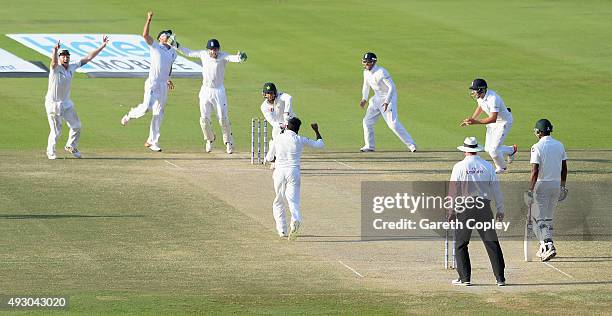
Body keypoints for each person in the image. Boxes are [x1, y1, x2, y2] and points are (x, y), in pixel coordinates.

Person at [448, 136, 506, 286]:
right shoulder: (487, 166)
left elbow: (453, 190)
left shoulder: (459, 166)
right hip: (484, 208)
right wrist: (500, 208)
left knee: (461, 244)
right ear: (476, 150)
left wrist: (451, 210)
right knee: (492, 242)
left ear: (465, 150)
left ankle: (465, 278)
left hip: (465, 207)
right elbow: (496, 189)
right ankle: (500, 278)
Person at [177, 38, 247, 154]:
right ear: (208, 50)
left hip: (218, 91)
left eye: (215, 50)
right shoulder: (203, 54)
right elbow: (188, 52)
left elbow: (233, 58)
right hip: (205, 90)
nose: (213, 52)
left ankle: (229, 142)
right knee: (204, 119)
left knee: (223, 119)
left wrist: (240, 58)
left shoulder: (223, 56)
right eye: (211, 50)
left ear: (218, 49)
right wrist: (176, 45)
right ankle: (210, 139)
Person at [120, 11, 177, 152]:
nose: (169, 36)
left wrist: (168, 79)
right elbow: (145, 35)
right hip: (152, 83)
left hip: (163, 85)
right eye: (166, 34)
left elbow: (168, 67)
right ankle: (129, 115)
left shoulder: (173, 52)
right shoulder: (155, 46)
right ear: (160, 38)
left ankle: (152, 141)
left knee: (159, 113)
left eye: (169, 35)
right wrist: (149, 19)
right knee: (146, 108)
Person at [45, 36, 109, 159]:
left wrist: (102, 46)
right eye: (63, 56)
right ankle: (50, 151)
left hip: (66, 103)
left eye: (67, 56)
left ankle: (71, 145)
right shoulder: (55, 68)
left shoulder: (72, 67)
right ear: (59, 58)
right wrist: (54, 50)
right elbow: (53, 62)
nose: (66, 57)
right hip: (53, 104)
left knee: (77, 126)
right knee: (56, 131)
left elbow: (88, 58)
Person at [265, 117, 324, 240]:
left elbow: (269, 158)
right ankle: (296, 220)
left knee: (279, 200)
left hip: (280, 171)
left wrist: (276, 157)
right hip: (294, 171)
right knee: (293, 201)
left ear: (287, 126)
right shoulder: (299, 139)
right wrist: (316, 131)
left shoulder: (278, 138)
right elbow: (320, 145)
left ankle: (282, 230)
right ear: (297, 128)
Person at [525, 119, 568, 261]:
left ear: (539, 132)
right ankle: (543, 247)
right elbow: (564, 168)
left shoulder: (536, 147)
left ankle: (548, 245)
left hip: (542, 186)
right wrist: (562, 186)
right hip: (556, 185)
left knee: (536, 218)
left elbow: (534, 170)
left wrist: (530, 190)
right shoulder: (559, 145)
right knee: (548, 218)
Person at [359, 52, 417, 152]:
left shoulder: (381, 72)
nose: (366, 64)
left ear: (373, 62)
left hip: (388, 98)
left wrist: (387, 102)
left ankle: (411, 145)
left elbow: (392, 87)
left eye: (368, 62)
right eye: (365, 62)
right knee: (367, 121)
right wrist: (364, 98)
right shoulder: (366, 72)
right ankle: (369, 146)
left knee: (393, 124)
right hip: (376, 98)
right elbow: (366, 86)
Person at [460, 78, 517, 173]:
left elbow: (493, 118)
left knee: (493, 150)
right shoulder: (481, 97)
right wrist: (472, 118)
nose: (473, 92)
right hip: (493, 123)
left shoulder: (493, 99)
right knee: (487, 149)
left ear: (481, 90)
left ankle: (502, 168)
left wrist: (475, 122)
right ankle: (511, 150)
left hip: (503, 122)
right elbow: (480, 107)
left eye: (474, 89)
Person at [260, 82, 295, 163]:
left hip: (291, 123)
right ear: (264, 94)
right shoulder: (264, 106)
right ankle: (273, 159)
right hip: (278, 125)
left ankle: (288, 159)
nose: (270, 95)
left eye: (271, 93)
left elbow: (289, 98)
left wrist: (286, 113)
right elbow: (271, 120)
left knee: (289, 142)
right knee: (275, 141)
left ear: (275, 92)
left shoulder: (281, 96)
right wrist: (280, 126)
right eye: (268, 93)